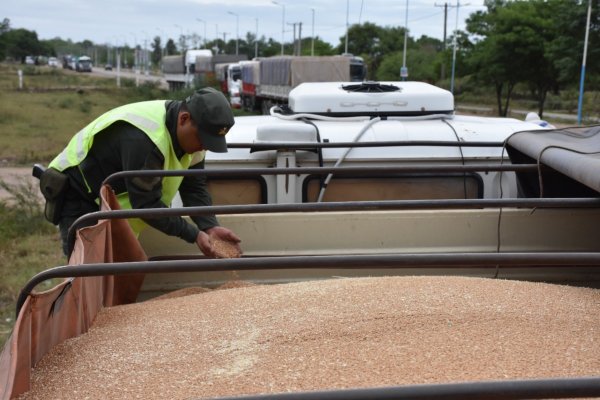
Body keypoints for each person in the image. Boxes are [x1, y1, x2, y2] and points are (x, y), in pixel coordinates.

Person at [42, 87, 242, 258]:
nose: (202, 148)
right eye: (203, 140)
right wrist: (193, 234)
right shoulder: (145, 140)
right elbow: (145, 203)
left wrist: (209, 226)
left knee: (114, 270)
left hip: (113, 201)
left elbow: (194, 187)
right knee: (88, 272)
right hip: (80, 194)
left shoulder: (194, 141)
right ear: (184, 119)